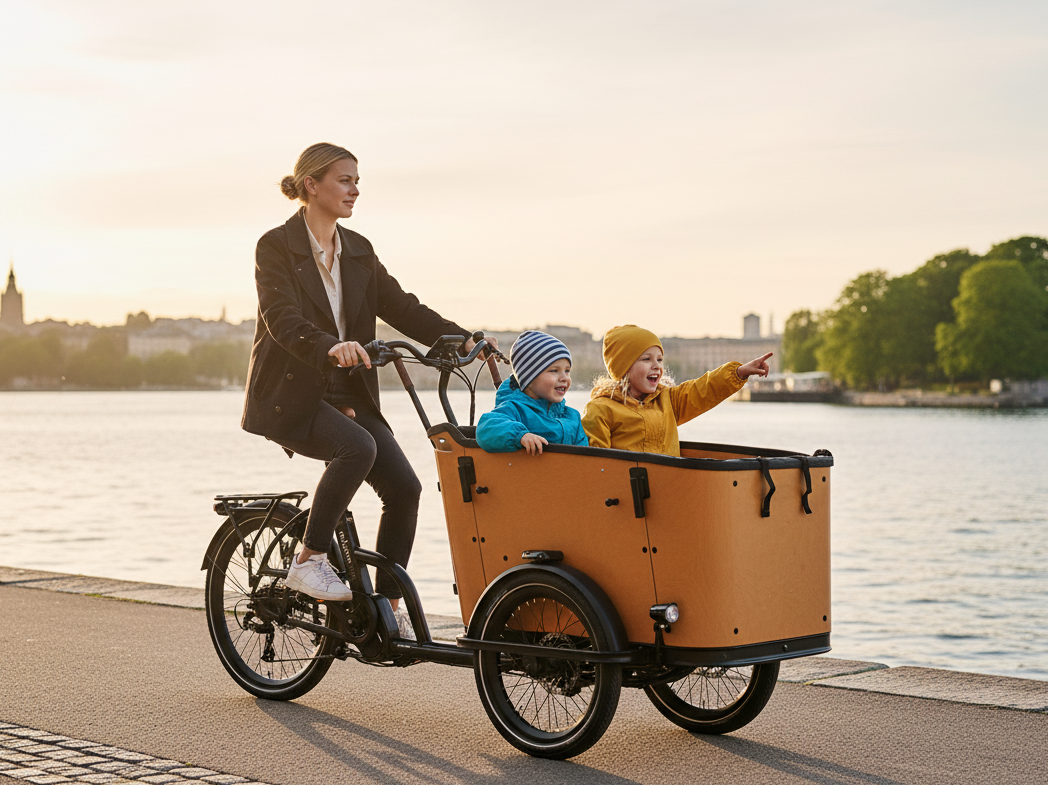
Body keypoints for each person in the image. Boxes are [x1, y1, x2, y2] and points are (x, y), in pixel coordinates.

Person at [241, 143, 494, 630]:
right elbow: (280, 317)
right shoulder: (276, 246)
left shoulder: (358, 250)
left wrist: (462, 339)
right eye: (345, 180)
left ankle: (384, 610)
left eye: (358, 181)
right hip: (292, 393)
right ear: (311, 185)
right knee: (357, 449)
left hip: (348, 391)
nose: (355, 189)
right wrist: (328, 346)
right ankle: (308, 560)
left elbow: (402, 307)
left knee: (406, 487)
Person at [581, 324, 771, 456]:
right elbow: (597, 463)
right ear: (624, 368)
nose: (656, 366)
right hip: (624, 501)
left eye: (660, 359)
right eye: (646, 359)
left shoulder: (668, 400)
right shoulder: (601, 409)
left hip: (667, 495)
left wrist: (738, 372)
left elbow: (702, 390)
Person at [476, 331, 589, 455]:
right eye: (554, 371)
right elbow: (486, 428)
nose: (564, 378)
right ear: (529, 379)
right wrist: (520, 435)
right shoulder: (515, 409)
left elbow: (585, 458)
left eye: (567, 371)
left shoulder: (572, 417)